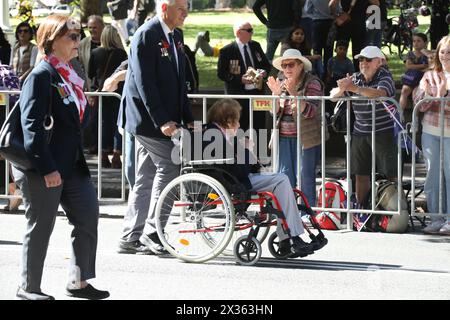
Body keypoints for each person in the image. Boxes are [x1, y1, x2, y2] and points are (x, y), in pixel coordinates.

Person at [13, 14, 109, 300]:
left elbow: (79, 120)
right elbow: (32, 127)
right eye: (72, 37)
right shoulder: (42, 76)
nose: (78, 42)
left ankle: (78, 282)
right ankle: (28, 288)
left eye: (78, 36)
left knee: (88, 215)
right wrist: (47, 168)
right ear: (51, 42)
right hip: (45, 167)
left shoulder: (69, 74)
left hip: (72, 165)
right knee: (41, 226)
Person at [117, 0, 195, 255]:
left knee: (146, 175)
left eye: (186, 8)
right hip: (146, 119)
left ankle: (131, 235)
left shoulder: (176, 35)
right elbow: (144, 82)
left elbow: (180, 78)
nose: (185, 13)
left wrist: (187, 116)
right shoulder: (146, 34)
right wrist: (162, 120)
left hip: (162, 118)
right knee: (170, 165)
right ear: (165, 9)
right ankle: (153, 230)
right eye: (180, 8)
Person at [204, 98, 316, 256]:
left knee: (280, 183)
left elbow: (241, 167)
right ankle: (291, 236)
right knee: (281, 179)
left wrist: (246, 152)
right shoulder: (215, 135)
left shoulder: (220, 134)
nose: (239, 125)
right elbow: (235, 170)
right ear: (228, 120)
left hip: (236, 178)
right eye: (237, 120)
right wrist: (244, 150)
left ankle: (287, 237)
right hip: (233, 181)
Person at [330, 45, 397, 212]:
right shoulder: (356, 78)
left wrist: (354, 88)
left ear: (379, 62)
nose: (363, 63)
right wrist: (343, 88)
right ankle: (362, 210)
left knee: (389, 173)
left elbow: (380, 93)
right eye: (361, 59)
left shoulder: (385, 76)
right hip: (360, 132)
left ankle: (394, 210)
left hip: (383, 132)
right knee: (360, 173)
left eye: (368, 59)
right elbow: (332, 96)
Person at [266, 49, 327, 210]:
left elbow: (310, 112)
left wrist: (294, 93)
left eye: (291, 64)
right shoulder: (282, 81)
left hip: (306, 138)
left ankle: (308, 212)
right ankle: (287, 210)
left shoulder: (312, 82)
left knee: (305, 177)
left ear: (300, 65)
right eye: (284, 65)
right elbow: (274, 112)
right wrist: (276, 94)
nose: (287, 68)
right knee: (285, 177)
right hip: (284, 137)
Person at [413, 35, 450, 235]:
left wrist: (441, 97)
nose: (445, 56)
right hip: (430, 132)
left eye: (449, 52)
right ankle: (435, 218)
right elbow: (420, 103)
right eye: (442, 51)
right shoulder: (429, 75)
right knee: (433, 176)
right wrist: (431, 96)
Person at [217, 20, 271, 134]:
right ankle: (237, 151)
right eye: (249, 30)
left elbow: (266, 65)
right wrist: (240, 79)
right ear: (238, 33)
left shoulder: (255, 46)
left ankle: (258, 151)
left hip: (257, 94)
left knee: (259, 127)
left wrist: (263, 73)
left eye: (252, 30)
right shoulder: (227, 51)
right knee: (238, 128)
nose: (252, 33)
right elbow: (222, 73)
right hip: (237, 97)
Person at [88, 25, 128, 169]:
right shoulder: (122, 54)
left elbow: (91, 74)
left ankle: (103, 155)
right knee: (118, 124)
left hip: (103, 92)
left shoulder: (95, 52)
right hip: (118, 92)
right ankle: (117, 155)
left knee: (103, 124)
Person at [399, 33, 429, 112]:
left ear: (425, 43)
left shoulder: (428, 54)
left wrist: (416, 66)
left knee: (417, 94)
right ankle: (399, 114)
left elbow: (431, 66)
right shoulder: (411, 54)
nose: (416, 43)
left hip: (423, 80)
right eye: (414, 41)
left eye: (419, 41)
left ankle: (415, 118)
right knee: (404, 91)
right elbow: (408, 66)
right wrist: (422, 66)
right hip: (411, 79)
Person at [10, 21, 38, 86]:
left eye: (25, 31)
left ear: (30, 34)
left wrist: (21, 78)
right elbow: (11, 64)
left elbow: (32, 67)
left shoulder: (34, 48)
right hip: (14, 80)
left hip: (27, 80)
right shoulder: (14, 48)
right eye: (20, 31)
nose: (22, 33)